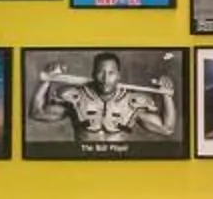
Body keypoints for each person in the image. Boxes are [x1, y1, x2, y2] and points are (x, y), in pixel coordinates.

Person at [33, 51, 172, 149]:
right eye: (101, 72)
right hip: (83, 164)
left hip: (120, 167)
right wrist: (45, 81)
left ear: (118, 76)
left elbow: (166, 129)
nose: (105, 79)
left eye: (111, 73)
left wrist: (167, 95)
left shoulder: (132, 103)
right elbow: (37, 113)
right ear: (93, 74)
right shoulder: (77, 98)